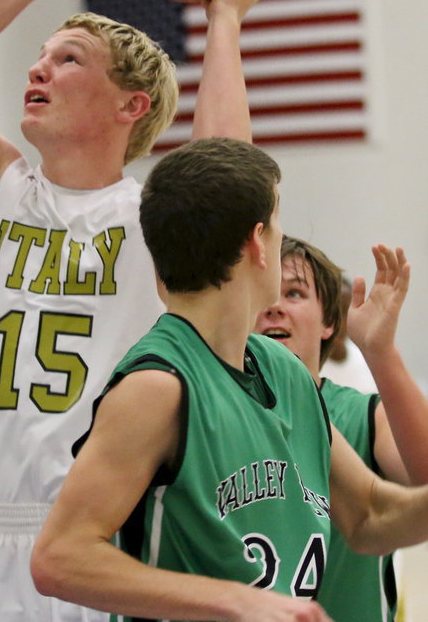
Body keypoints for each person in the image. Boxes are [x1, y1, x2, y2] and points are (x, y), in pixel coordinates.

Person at [0, 0, 282, 622]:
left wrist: (224, 18)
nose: (37, 68)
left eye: (67, 58)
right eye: (42, 54)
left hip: (97, 550)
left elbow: (229, 170)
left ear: (131, 105)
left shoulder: (150, 217)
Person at [31, 137, 428, 622]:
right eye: (279, 223)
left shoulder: (284, 370)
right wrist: (237, 600)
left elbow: (369, 514)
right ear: (256, 242)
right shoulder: (158, 385)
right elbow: (59, 557)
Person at [255, 235, 428, 621]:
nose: (275, 308)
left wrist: (381, 351)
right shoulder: (210, 409)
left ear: (329, 322)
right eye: (263, 294)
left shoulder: (361, 414)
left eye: (294, 293)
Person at [319, 276, 378, 394]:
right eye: (332, 313)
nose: (339, 323)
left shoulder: (366, 359)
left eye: (346, 312)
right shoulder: (306, 365)